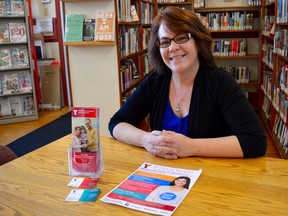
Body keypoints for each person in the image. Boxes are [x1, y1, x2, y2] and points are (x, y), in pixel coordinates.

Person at [108, 7, 267, 159]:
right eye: (165, 42)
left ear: (198, 41)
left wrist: (191, 146)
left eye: (182, 38)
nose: (173, 47)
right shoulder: (154, 82)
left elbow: (255, 141)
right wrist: (146, 139)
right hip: (166, 176)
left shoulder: (220, 82)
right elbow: (116, 123)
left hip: (212, 178)